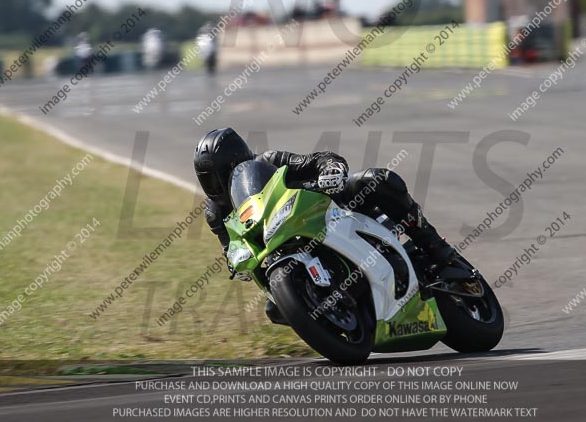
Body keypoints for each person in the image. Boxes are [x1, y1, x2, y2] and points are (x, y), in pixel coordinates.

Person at [193, 127, 459, 323]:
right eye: (208, 179)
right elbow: (230, 246)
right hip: (284, 247)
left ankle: (434, 246)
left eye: (221, 175)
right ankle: (338, 309)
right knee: (276, 310)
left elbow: (318, 160)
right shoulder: (215, 212)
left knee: (376, 179)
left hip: (333, 210)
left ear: (238, 161)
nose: (215, 185)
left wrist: (330, 171)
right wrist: (234, 259)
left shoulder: (269, 161)